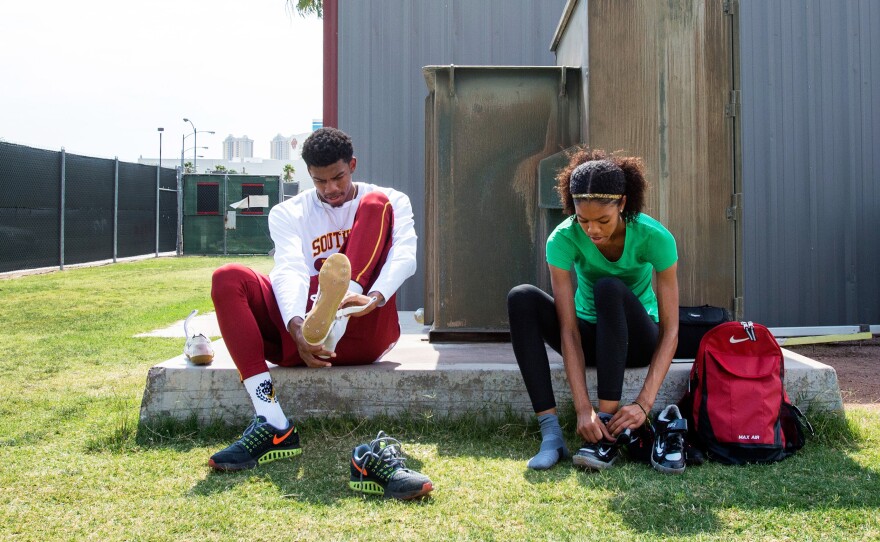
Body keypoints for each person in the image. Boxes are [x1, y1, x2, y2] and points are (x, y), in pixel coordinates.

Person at [207, 127, 418, 472]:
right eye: (320, 182)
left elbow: (405, 256)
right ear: (309, 175)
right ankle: (272, 421)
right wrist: (295, 325)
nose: (331, 189)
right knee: (228, 277)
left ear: (353, 165)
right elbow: (288, 268)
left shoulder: (390, 200)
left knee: (375, 205)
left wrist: (375, 297)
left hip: (364, 324)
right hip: (301, 339)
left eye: (338, 177)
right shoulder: (288, 212)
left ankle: (342, 307)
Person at [507, 148, 680, 471]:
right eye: (583, 220)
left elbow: (671, 329)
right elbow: (568, 330)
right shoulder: (563, 239)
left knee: (608, 287)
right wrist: (581, 407)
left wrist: (644, 403)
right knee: (522, 297)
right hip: (590, 338)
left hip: (637, 340)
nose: (593, 231)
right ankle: (551, 434)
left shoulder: (655, 237)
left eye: (603, 220)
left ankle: (605, 432)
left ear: (623, 204)